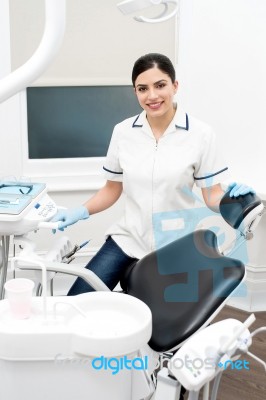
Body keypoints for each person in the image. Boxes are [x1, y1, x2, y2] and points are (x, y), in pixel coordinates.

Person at [52, 53, 255, 296]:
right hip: (128, 238)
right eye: (143, 88)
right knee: (77, 299)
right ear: (135, 92)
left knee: (164, 321)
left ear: (175, 86)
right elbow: (112, 189)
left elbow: (212, 195)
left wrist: (234, 197)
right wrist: (81, 210)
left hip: (175, 243)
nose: (152, 96)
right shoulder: (123, 132)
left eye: (160, 85)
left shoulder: (201, 135)